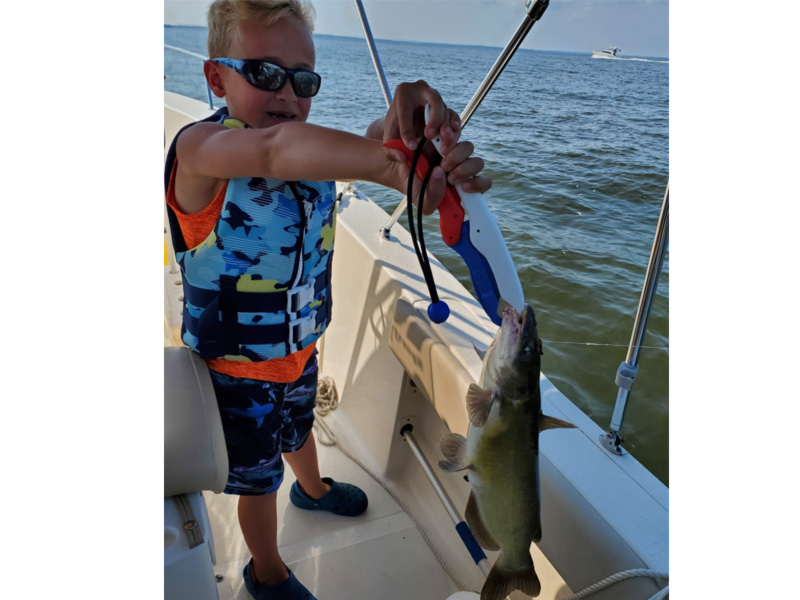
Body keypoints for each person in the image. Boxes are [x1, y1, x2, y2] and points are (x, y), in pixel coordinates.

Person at [164, 1, 492, 598]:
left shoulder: (308, 151)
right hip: (236, 371)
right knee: (257, 480)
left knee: (299, 426)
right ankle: (266, 572)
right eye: (264, 72)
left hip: (299, 347)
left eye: (304, 79)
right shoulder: (198, 153)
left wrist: (408, 143)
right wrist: (393, 169)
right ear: (216, 78)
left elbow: (346, 145)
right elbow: (274, 151)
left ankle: (311, 488)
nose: (287, 92)